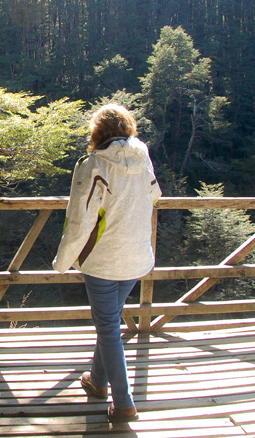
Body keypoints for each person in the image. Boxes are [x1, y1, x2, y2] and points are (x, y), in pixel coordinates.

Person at [53, 103, 161, 423]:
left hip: (102, 260)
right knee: (109, 321)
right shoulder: (144, 159)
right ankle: (98, 382)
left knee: (109, 327)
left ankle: (124, 402)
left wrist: (63, 261)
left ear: (97, 131)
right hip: (137, 256)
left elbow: (79, 219)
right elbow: (155, 197)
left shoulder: (93, 164)